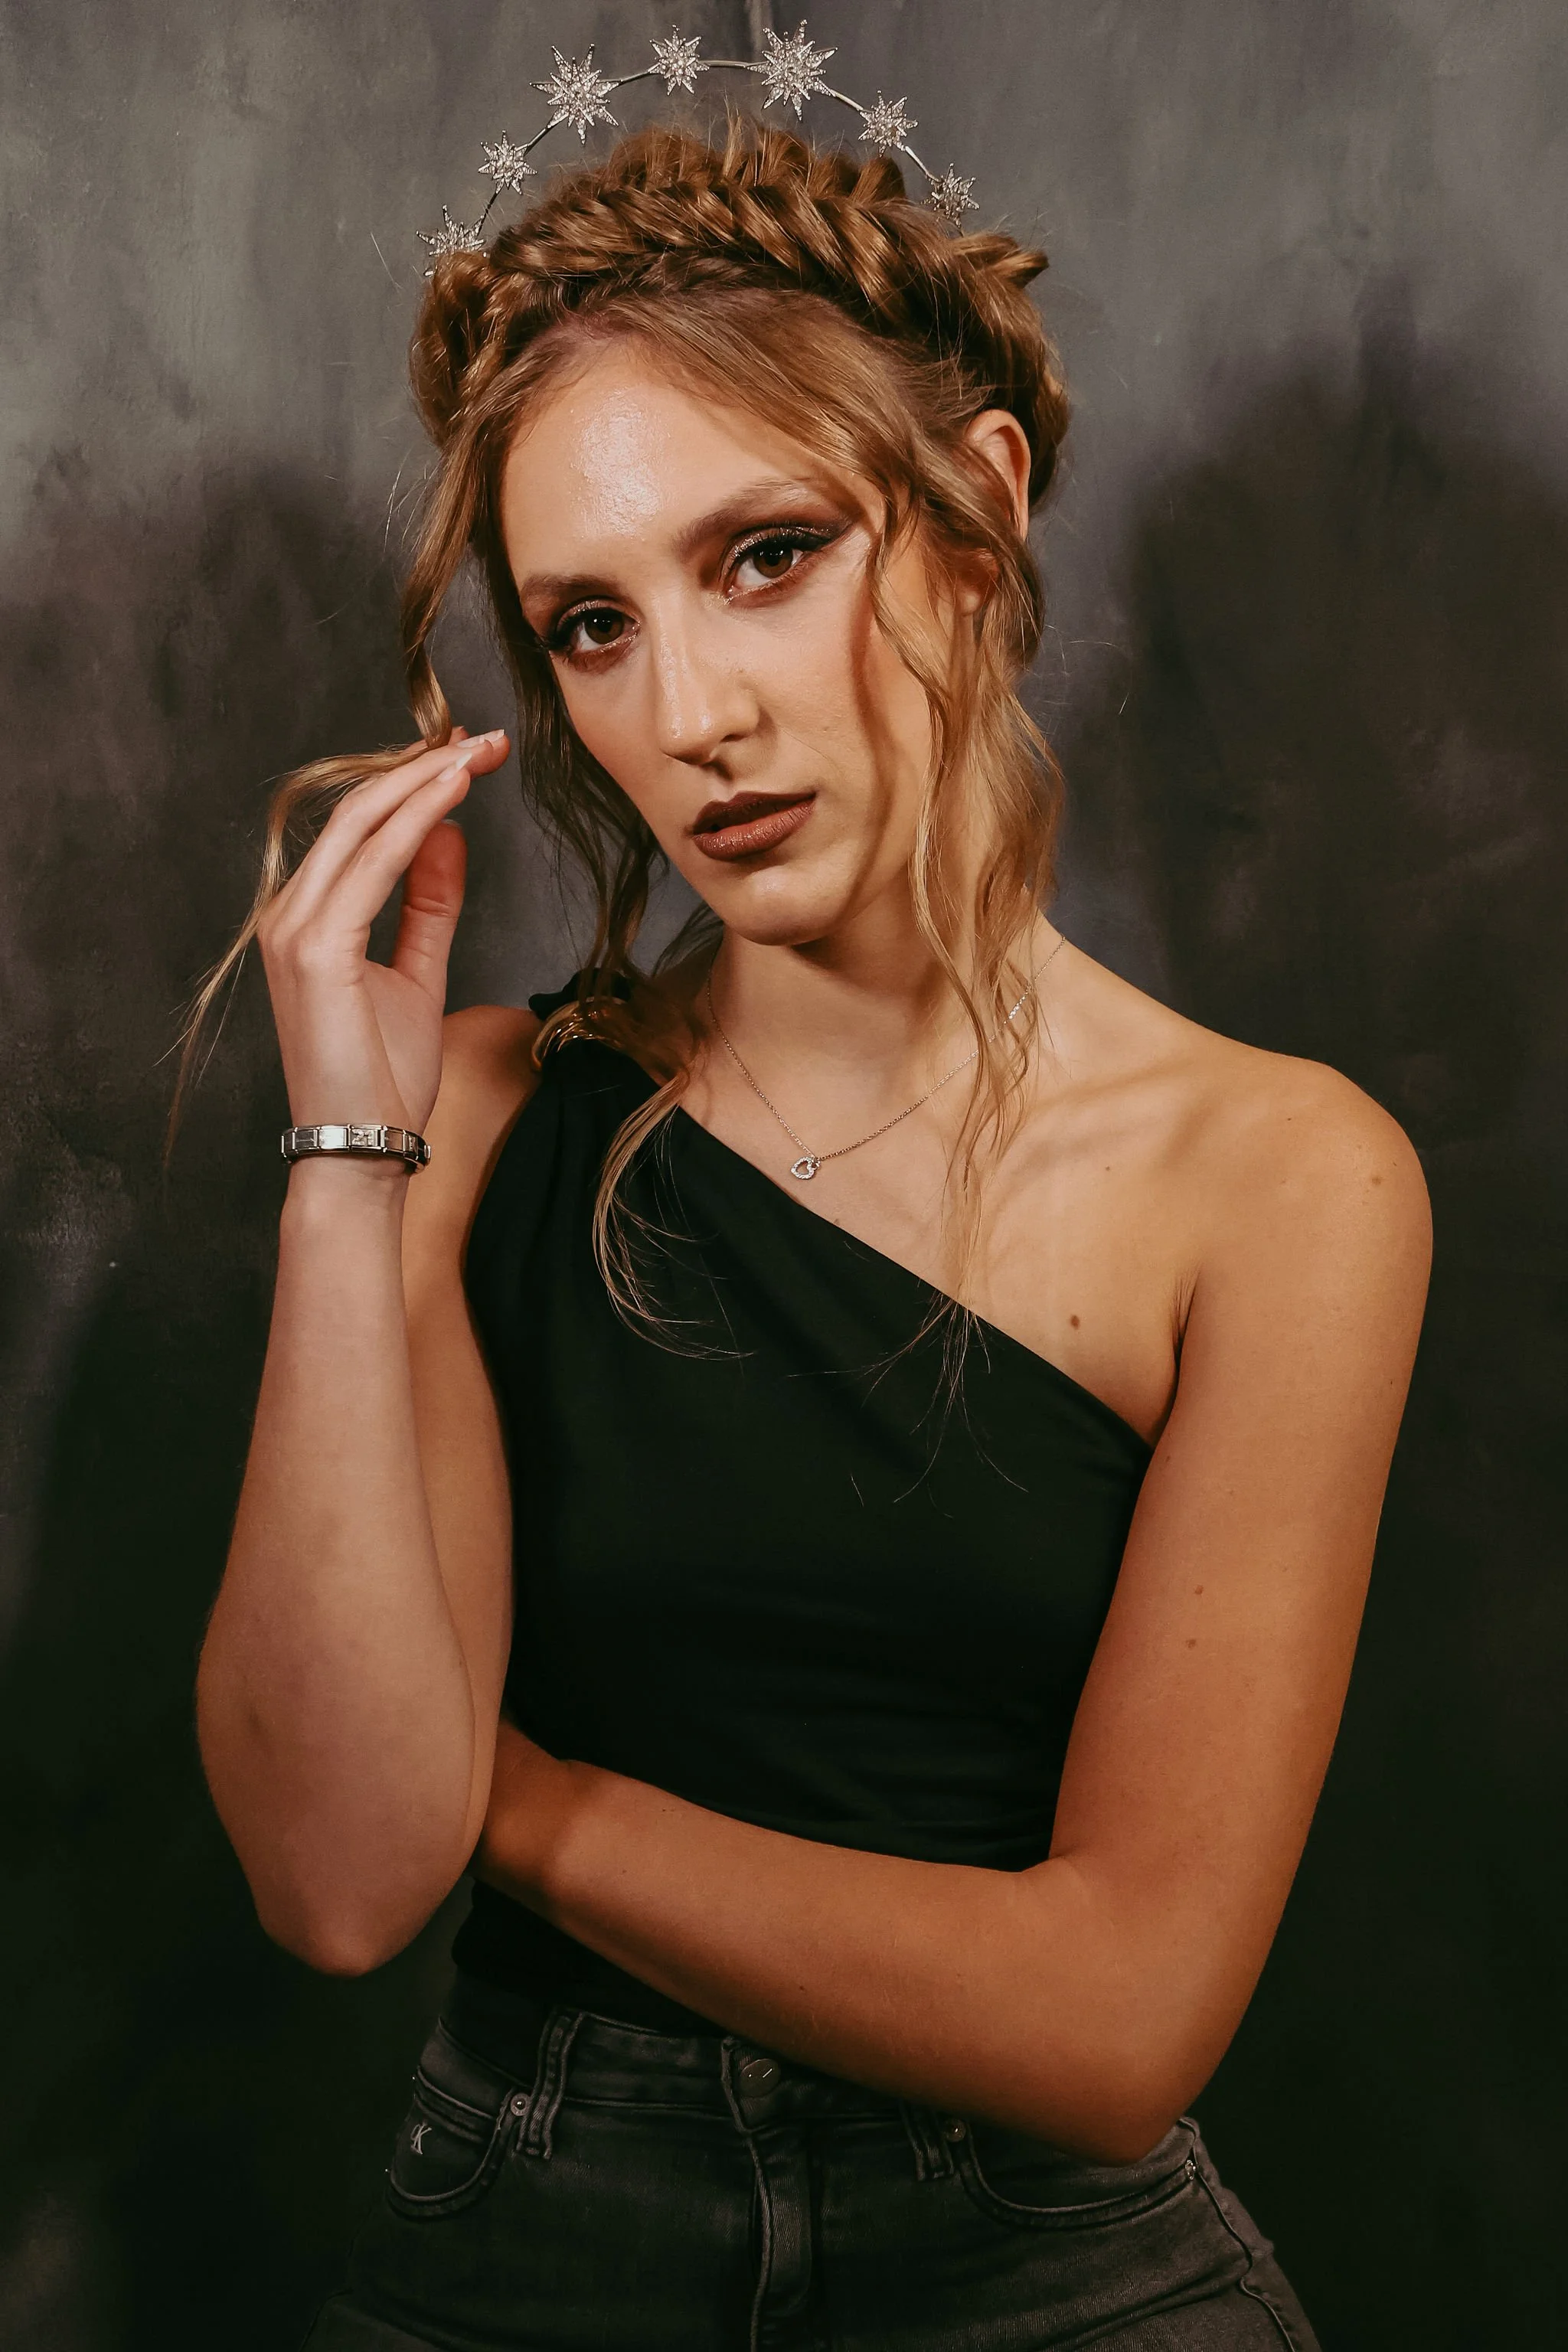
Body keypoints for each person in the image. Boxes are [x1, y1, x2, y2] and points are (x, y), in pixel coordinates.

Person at [191, 118, 1430, 2350]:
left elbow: (1119, 2020)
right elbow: (340, 1873)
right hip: (526, 2223)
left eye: (764, 556)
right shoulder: (472, 1122)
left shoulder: (1284, 1177)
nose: (691, 717)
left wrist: (521, 1796)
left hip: (1063, 2270)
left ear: (977, 516)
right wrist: (342, 1151)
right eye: (592, 624)